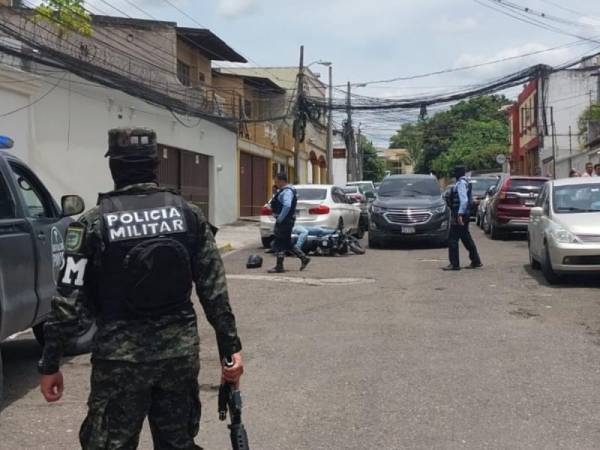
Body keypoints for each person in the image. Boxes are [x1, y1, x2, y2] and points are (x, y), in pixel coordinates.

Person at [38, 128, 244, 449]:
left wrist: (50, 363)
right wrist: (229, 351)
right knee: (177, 443)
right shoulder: (189, 215)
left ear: (114, 167)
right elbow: (214, 290)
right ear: (153, 165)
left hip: (120, 363)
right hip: (178, 357)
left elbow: (67, 301)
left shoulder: (90, 224)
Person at [269, 172, 310, 273]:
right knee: (287, 242)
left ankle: (279, 266)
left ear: (282, 180)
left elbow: (287, 205)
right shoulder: (285, 190)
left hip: (284, 221)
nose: (276, 183)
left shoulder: (287, 191)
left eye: (277, 181)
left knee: (279, 241)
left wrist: (280, 218)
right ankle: (304, 258)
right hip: (287, 220)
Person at [444, 165, 482, 271]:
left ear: (458, 173)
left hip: (459, 215)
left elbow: (464, 200)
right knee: (466, 238)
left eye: (455, 172)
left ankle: (454, 264)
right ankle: (476, 260)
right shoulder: (466, 182)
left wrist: (460, 214)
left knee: (453, 239)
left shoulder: (461, 184)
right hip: (464, 214)